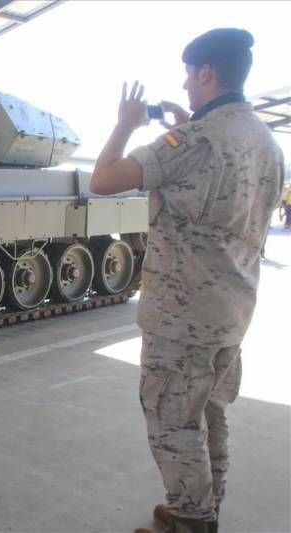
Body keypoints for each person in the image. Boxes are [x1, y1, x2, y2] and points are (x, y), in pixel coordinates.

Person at [89, 29, 284, 533]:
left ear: (206, 73)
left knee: (171, 419)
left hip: (183, 315)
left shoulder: (193, 141)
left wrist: (125, 125)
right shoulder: (265, 140)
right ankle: (205, 503)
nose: (186, 84)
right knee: (210, 413)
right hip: (232, 313)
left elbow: (103, 178)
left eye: (189, 75)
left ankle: (191, 520)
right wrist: (185, 128)